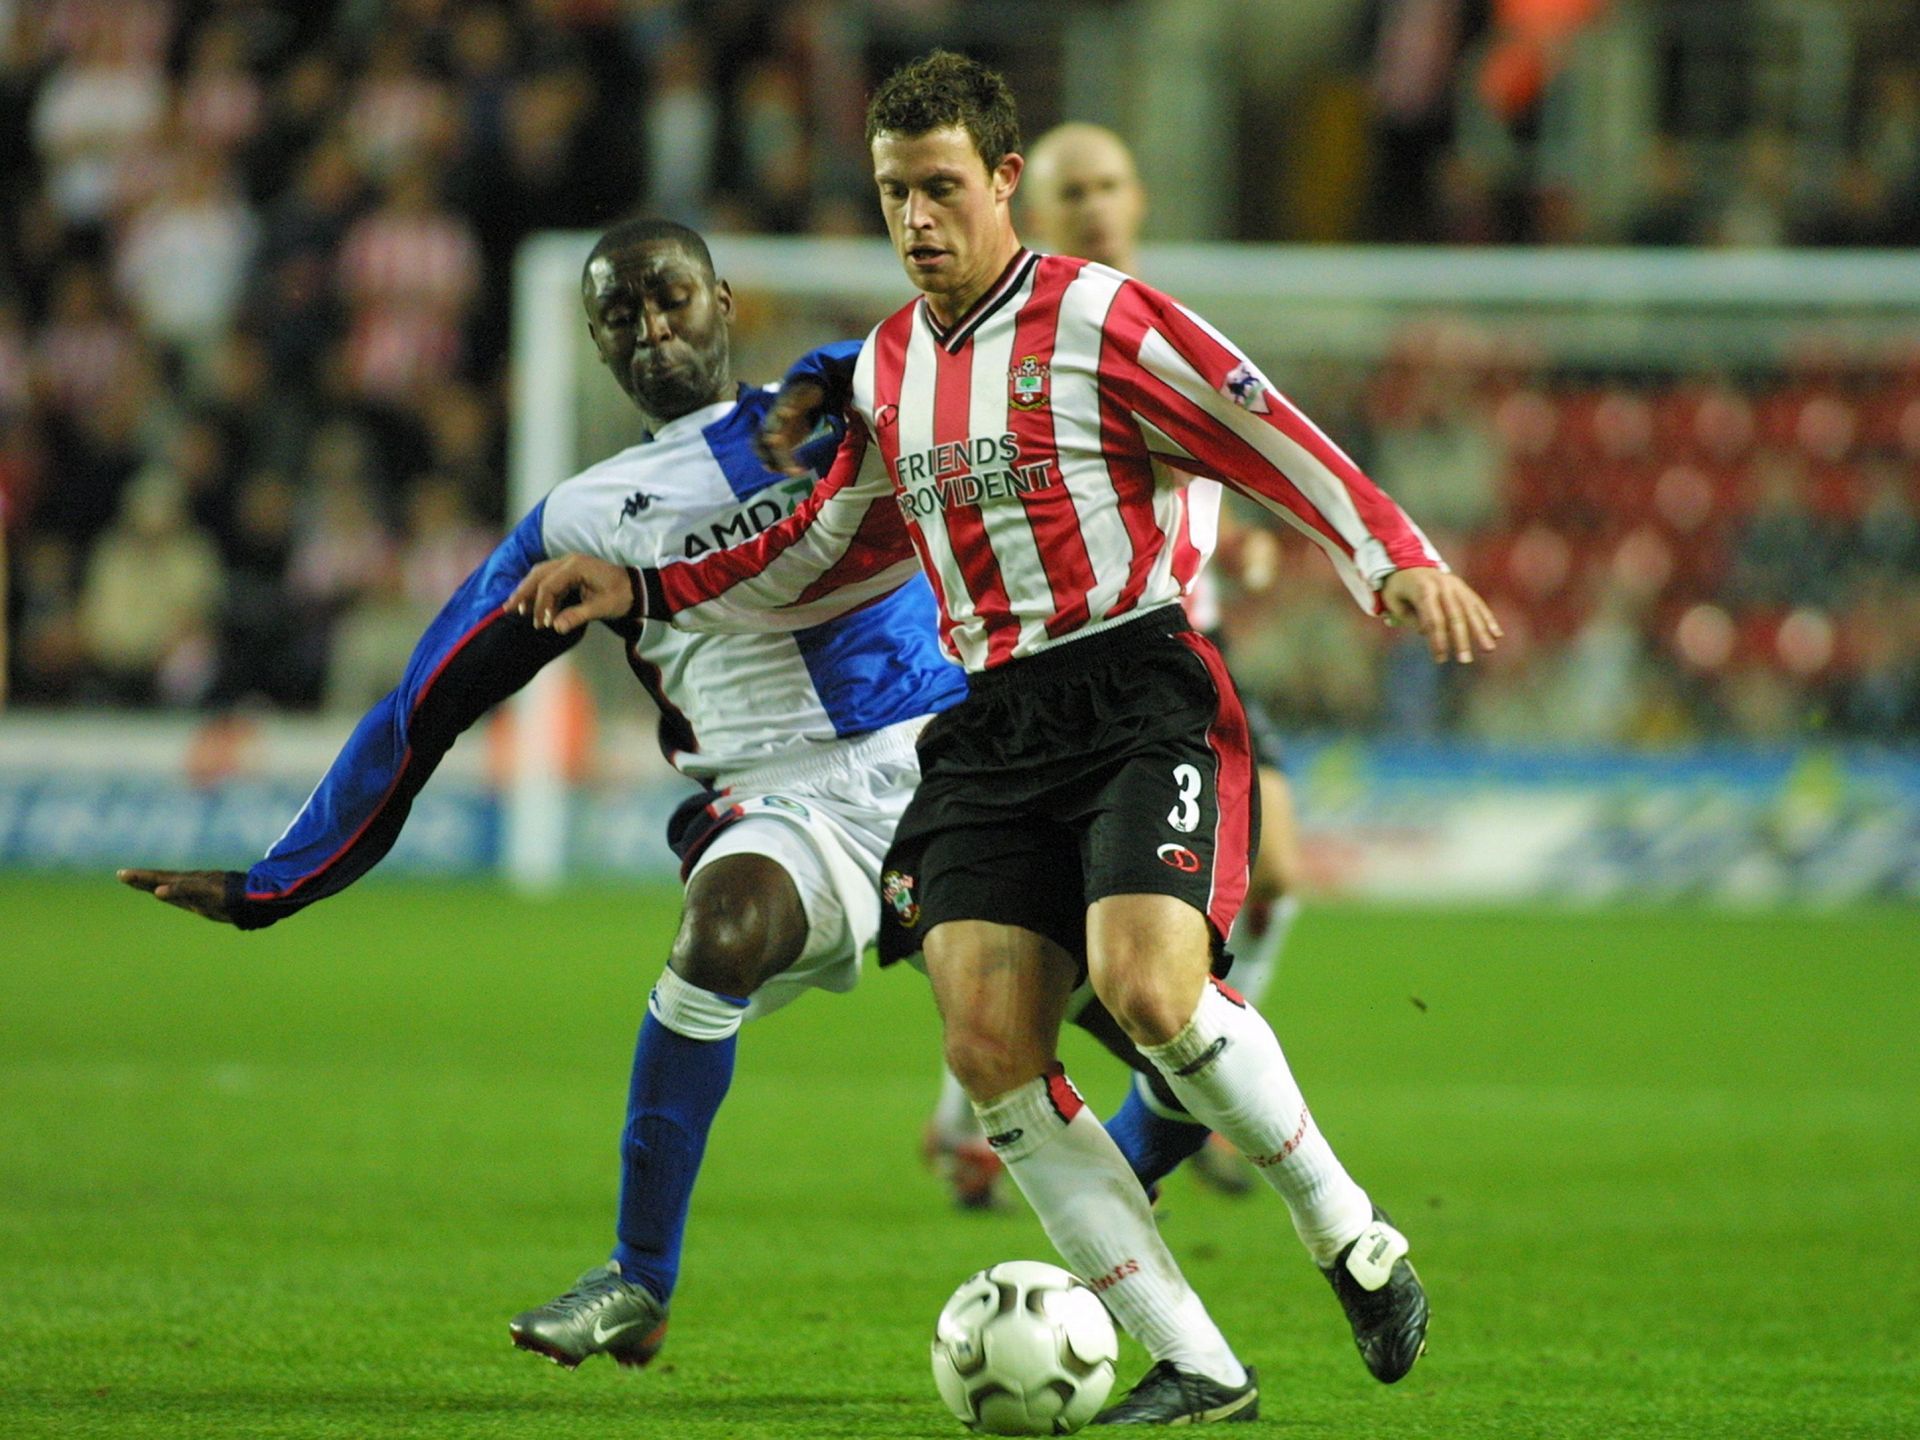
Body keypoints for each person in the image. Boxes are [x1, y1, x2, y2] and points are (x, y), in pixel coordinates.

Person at [510, 51, 1499, 1424]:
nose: (915, 220)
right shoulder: (887, 369)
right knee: (988, 1048)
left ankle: (1348, 1233)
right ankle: (1198, 1364)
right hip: (989, 723)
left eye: (939, 190)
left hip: (1137, 683)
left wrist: (1386, 553)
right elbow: (820, 541)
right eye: (892, 194)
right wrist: (649, 589)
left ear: (1003, 182)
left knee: (1151, 992)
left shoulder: (1105, 317)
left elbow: (1259, 423)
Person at [117, 217, 975, 1372]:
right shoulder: (578, 517)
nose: (653, 326)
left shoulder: (845, 416)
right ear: (595, 342)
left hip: (944, 757)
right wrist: (280, 881)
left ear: (724, 299)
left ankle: (1249, 1222)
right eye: (621, 314)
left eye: (670, 297)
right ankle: (639, 1278)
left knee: (1136, 1003)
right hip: (782, 808)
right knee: (718, 932)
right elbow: (424, 703)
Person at [918, 119, 1311, 1204]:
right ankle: (1033, 1107)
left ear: (1138, 199)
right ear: (1027, 207)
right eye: (1070, 189)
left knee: (1270, 876)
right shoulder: (1025, 340)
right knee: (1061, 917)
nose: (1094, 205)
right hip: (1066, 657)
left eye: (1110, 184)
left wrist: (1255, 534)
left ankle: (1182, 1096)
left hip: (1182, 642)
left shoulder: (1164, 327)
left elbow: (1219, 457)